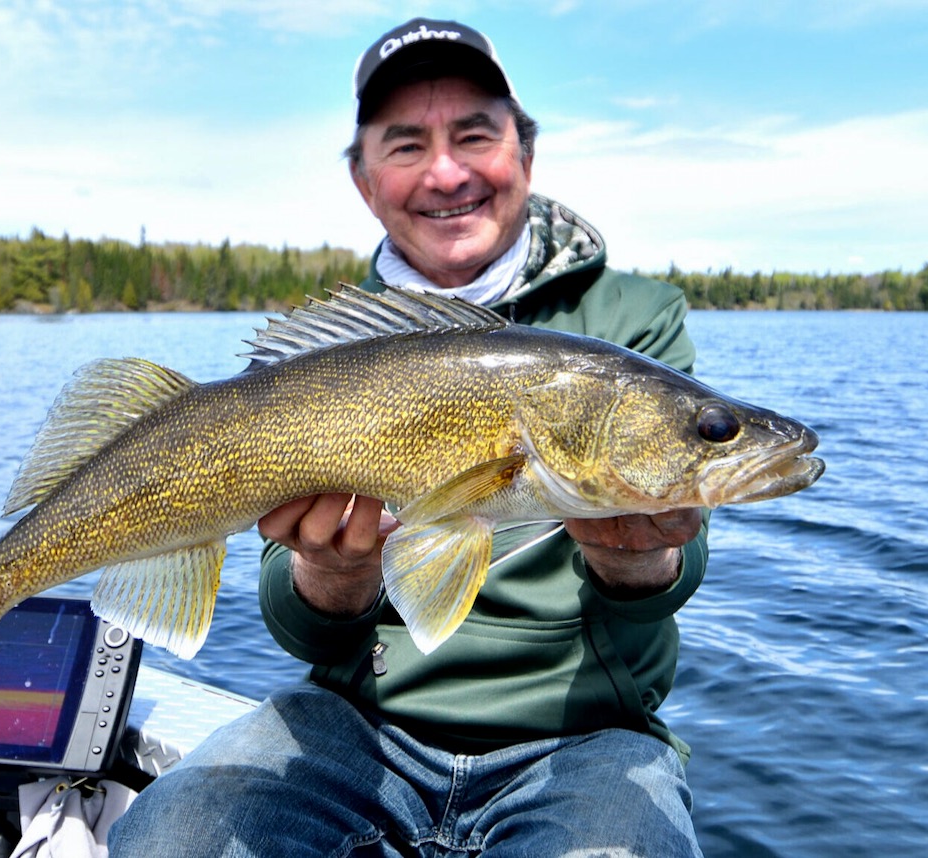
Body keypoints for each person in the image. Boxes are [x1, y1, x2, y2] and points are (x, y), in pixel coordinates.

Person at [111, 17, 707, 857]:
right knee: (174, 839)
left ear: (524, 156)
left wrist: (637, 553)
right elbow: (305, 629)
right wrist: (331, 567)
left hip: (585, 737)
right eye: (405, 145)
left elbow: (675, 572)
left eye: (474, 134)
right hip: (355, 725)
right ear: (363, 180)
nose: (447, 171)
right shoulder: (330, 347)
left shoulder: (631, 321)